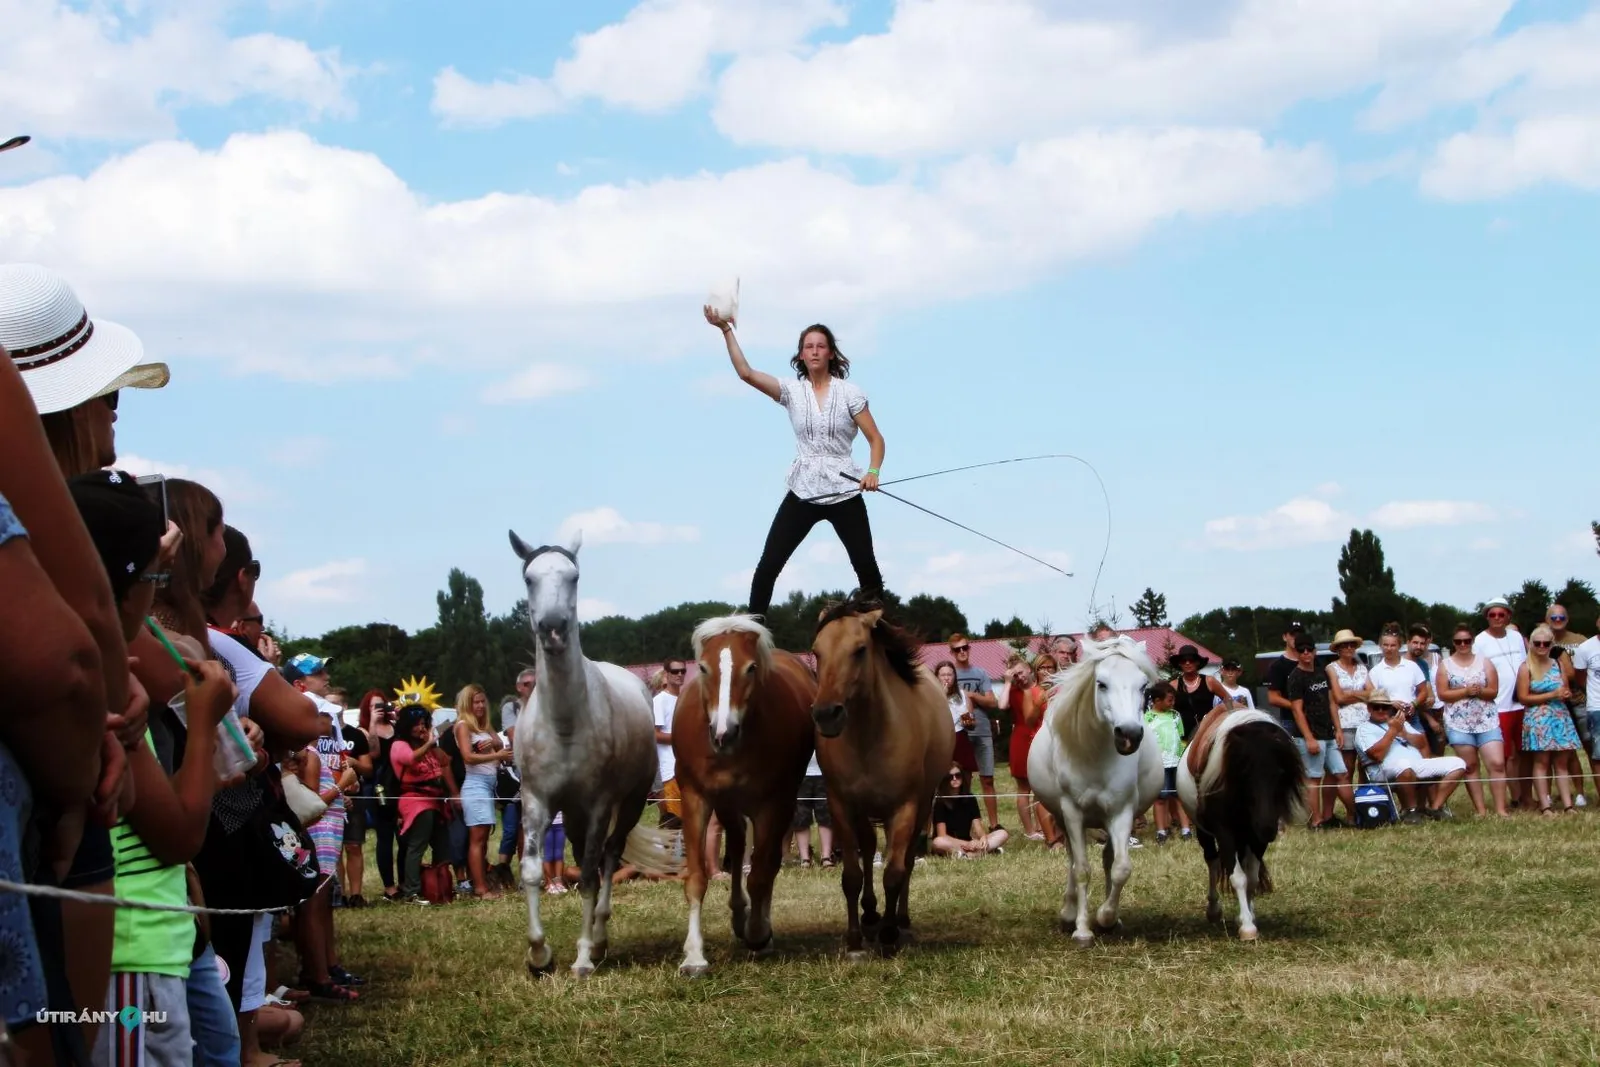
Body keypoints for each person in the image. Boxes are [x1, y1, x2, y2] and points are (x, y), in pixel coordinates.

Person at [704, 308, 885, 619]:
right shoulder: (792, 391)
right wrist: (725, 330)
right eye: (808, 346)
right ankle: (754, 630)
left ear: (830, 353)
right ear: (801, 355)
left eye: (821, 346)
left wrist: (872, 472)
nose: (814, 351)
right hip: (804, 491)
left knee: (865, 565)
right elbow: (746, 373)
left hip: (844, 489)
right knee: (769, 564)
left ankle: (883, 636)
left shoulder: (850, 393)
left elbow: (876, 439)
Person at [1355, 694, 1467, 823]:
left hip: (1416, 764)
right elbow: (1376, 755)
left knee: (1458, 763)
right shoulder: (1364, 729)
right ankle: (1410, 811)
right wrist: (1392, 731)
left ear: (1390, 708)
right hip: (1383, 771)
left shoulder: (1400, 723)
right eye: (1376, 707)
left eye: (1384, 707)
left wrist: (1405, 733)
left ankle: (1436, 807)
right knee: (1404, 765)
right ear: (1369, 708)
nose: (1381, 710)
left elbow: (1422, 744)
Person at [1435, 622, 1506, 817]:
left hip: (1487, 720)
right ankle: (1480, 810)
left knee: (1497, 763)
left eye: (1466, 641)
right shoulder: (1445, 665)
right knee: (1471, 766)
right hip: (1458, 723)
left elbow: (1493, 691)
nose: (1463, 644)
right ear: (1453, 643)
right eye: (1459, 641)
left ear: (1472, 641)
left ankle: (1501, 809)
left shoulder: (1485, 662)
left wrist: (1479, 691)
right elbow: (1442, 694)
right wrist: (1465, 691)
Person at [1286, 635, 1355, 829]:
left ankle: (1352, 816)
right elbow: (1297, 710)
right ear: (1297, 653)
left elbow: (1331, 702)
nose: (1306, 653)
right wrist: (1308, 738)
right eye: (1302, 650)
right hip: (1310, 736)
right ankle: (1316, 821)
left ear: (1315, 651)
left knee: (1341, 773)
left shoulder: (1321, 672)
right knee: (1314, 779)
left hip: (1329, 734)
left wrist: (1338, 729)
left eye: (1309, 649)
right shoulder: (1295, 677)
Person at [391, 704, 458, 903]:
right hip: (415, 801)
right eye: (417, 725)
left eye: (424, 724)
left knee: (442, 843)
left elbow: (445, 761)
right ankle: (412, 890)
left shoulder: (429, 746)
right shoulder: (399, 745)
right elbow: (410, 759)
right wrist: (428, 743)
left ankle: (440, 885)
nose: (421, 728)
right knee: (417, 845)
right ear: (406, 726)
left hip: (436, 800)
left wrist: (434, 744)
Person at [452, 684, 512, 900]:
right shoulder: (463, 726)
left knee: (484, 838)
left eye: (482, 701)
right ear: (467, 704)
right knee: (477, 839)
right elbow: (467, 757)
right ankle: (480, 888)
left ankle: (481, 882)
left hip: (488, 784)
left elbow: (500, 745)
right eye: (475, 702)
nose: (479, 705)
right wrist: (497, 755)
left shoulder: (484, 726)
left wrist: (495, 745)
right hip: (475, 785)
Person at [1516, 624, 1580, 815]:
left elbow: (1565, 688)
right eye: (1538, 643)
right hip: (1538, 719)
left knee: (1562, 763)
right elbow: (1523, 698)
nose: (1542, 646)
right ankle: (1545, 806)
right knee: (1541, 762)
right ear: (1531, 644)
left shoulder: (1558, 664)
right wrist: (1551, 694)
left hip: (1560, 717)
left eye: (1546, 643)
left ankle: (1568, 805)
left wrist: (1565, 694)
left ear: (1552, 644)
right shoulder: (1525, 667)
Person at [1474, 598, 1529, 808]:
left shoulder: (1516, 637)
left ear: (1508, 616)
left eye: (1501, 614)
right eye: (1492, 615)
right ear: (1487, 617)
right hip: (1499, 705)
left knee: (1522, 754)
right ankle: (1514, 797)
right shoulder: (1480, 641)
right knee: (1505, 756)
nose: (1497, 618)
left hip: (1521, 703)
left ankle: (1525, 795)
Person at [947, 635, 1001, 832]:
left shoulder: (980, 673)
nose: (962, 652)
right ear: (951, 652)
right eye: (957, 649)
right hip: (960, 733)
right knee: (962, 780)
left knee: (988, 778)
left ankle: (994, 825)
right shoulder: (948, 675)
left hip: (982, 731)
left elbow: (992, 702)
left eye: (965, 648)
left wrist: (971, 695)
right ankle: (964, 826)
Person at [491, 667, 534, 889]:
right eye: (528, 684)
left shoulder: (544, 707)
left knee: (528, 828)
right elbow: (514, 735)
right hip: (515, 775)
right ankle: (502, 870)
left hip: (536, 773)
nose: (532, 688)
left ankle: (526, 875)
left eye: (536, 684)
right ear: (519, 687)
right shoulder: (512, 707)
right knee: (510, 828)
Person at [1545, 605, 1593, 806]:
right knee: (1559, 751)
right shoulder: (1540, 639)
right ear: (1546, 619)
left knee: (1590, 748)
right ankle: (1567, 794)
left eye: (1561, 616)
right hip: (1553, 703)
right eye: (1553, 617)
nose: (1557, 619)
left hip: (1580, 701)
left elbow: (1582, 672)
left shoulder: (1580, 640)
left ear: (1567, 618)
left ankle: (1588, 793)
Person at [1001, 655, 1043, 839]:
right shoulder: (1012, 692)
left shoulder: (1042, 689)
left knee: (1041, 786)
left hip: (1041, 736)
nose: (1019, 677)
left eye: (1020, 672)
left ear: (1029, 670)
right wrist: (1007, 682)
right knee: (1023, 786)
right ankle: (1030, 830)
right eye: (1015, 675)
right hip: (1021, 737)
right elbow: (1001, 705)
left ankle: (1043, 826)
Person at [1369, 628, 1431, 751]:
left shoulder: (1412, 666)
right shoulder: (1375, 671)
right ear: (1380, 646)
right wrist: (1391, 703)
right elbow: (1373, 697)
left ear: (1399, 646)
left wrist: (1414, 704)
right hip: (1388, 717)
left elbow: (1424, 691)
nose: (1389, 648)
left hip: (1411, 716)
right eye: (1385, 645)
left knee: (1423, 751)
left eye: (1393, 645)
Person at [1143, 682, 1191, 843]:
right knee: (1160, 797)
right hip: (1158, 764)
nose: (1173, 703)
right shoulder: (1148, 717)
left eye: (1173, 700)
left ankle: (1186, 829)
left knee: (1179, 796)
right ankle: (1161, 831)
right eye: (1169, 700)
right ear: (1157, 700)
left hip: (1176, 763)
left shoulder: (1175, 715)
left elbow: (1181, 737)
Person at [1326, 629, 1375, 782]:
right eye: (1345, 645)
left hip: (1365, 722)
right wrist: (1361, 695)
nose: (1349, 648)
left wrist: (1350, 693)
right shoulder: (1331, 668)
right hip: (1345, 723)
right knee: (1348, 765)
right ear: (1338, 649)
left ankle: (1363, 799)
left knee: (1365, 765)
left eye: (1352, 645)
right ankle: (1350, 803)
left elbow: (1373, 694)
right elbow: (1338, 698)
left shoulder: (1362, 668)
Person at [931, 765, 1008, 858]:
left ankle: (969, 855)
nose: (954, 779)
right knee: (938, 842)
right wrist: (968, 844)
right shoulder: (940, 801)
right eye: (950, 777)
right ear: (945, 780)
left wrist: (982, 838)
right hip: (951, 843)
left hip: (969, 842)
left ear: (962, 777)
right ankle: (982, 852)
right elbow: (942, 835)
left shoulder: (970, 798)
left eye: (958, 775)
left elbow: (977, 826)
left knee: (1002, 833)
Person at [1170, 645, 1235, 740]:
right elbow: (1168, 710)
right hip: (1182, 737)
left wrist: (1228, 718)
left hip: (1207, 735)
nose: (1187, 663)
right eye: (1183, 661)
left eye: (1191, 660)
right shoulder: (1173, 685)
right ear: (1179, 664)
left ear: (1197, 662)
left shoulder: (1210, 681)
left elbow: (1228, 699)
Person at [653, 659, 684, 830]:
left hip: (687, 767)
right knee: (674, 822)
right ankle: (672, 856)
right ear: (667, 674)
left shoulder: (685, 698)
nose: (680, 674)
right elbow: (654, 734)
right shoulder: (659, 700)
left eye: (683, 671)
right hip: (669, 770)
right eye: (675, 671)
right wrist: (683, 738)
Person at [792, 747, 833, 869]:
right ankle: (805, 859)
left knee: (825, 814)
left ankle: (826, 857)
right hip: (800, 774)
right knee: (801, 816)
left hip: (824, 773)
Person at [1263, 621, 1306, 732]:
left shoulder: (1311, 661)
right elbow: (1273, 698)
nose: (1296, 638)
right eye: (1292, 635)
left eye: (1299, 635)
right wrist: (1297, 706)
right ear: (1284, 637)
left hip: (1315, 719)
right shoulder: (1277, 666)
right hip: (1290, 721)